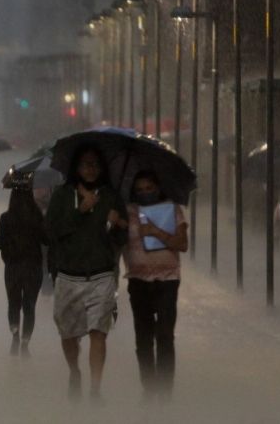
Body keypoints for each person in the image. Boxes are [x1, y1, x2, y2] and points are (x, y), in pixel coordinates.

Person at [45, 147, 127, 401]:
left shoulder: (112, 197)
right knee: (68, 334)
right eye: (85, 164)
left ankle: (95, 389)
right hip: (69, 276)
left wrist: (118, 224)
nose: (90, 169)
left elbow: (121, 237)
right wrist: (80, 210)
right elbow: (51, 232)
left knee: (98, 332)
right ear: (76, 169)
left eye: (95, 164)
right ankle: (74, 372)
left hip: (101, 275)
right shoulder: (61, 196)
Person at [122, 171, 188, 403]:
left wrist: (155, 232)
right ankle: (149, 388)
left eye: (149, 188)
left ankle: (165, 391)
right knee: (143, 337)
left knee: (165, 335)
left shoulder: (172, 210)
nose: (145, 193)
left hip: (168, 280)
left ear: (158, 188)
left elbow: (182, 244)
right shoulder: (127, 212)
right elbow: (116, 241)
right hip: (138, 281)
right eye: (140, 189)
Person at [0, 188, 47, 357]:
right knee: (29, 305)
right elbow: (46, 239)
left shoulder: (6, 218)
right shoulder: (37, 216)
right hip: (33, 266)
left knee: (13, 303)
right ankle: (25, 342)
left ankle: (15, 334)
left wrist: (11, 249)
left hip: (13, 266)